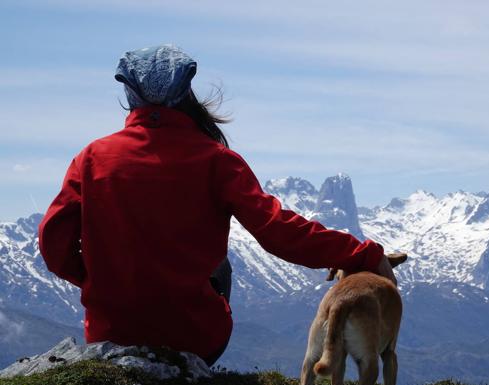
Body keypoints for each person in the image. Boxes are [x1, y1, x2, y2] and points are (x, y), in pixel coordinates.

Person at [38, 45, 397, 366]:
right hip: (194, 335)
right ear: (186, 94)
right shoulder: (217, 160)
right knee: (221, 266)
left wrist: (96, 280)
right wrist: (360, 254)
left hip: (109, 330)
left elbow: (53, 241)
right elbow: (279, 232)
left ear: (131, 96)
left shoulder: (93, 157)